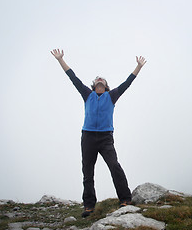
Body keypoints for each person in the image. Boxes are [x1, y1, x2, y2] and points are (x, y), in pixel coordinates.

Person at [50, 49, 147, 217]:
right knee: (87, 171)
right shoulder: (87, 94)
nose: (99, 80)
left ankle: (125, 198)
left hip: (105, 137)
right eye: (97, 79)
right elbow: (73, 77)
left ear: (106, 85)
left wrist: (138, 67)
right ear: (94, 85)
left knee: (114, 166)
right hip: (87, 136)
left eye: (102, 79)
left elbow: (127, 83)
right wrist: (60, 60)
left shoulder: (112, 95)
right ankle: (89, 205)